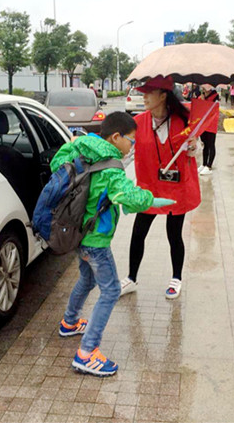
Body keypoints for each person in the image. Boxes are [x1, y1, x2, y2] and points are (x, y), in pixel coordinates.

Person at [53, 112, 174, 376]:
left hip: (76, 233)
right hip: (96, 240)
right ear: (116, 137)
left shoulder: (80, 147)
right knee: (110, 292)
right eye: (131, 141)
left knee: (87, 280)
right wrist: (153, 199)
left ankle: (69, 322)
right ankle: (87, 353)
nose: (132, 147)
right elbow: (130, 197)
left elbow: (56, 164)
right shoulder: (110, 167)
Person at [119, 75, 201, 299]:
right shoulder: (138, 122)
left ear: (163, 96)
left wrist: (193, 146)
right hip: (150, 187)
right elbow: (126, 152)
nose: (144, 97)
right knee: (138, 233)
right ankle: (131, 278)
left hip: (176, 187)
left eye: (149, 93)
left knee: (174, 234)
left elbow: (195, 153)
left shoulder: (185, 121)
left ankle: (176, 278)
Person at [199, 85, 219, 176]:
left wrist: (204, 101)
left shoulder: (215, 97)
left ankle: (209, 166)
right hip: (203, 124)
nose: (204, 88)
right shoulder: (201, 97)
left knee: (211, 144)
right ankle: (204, 164)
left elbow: (211, 109)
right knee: (205, 144)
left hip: (211, 124)